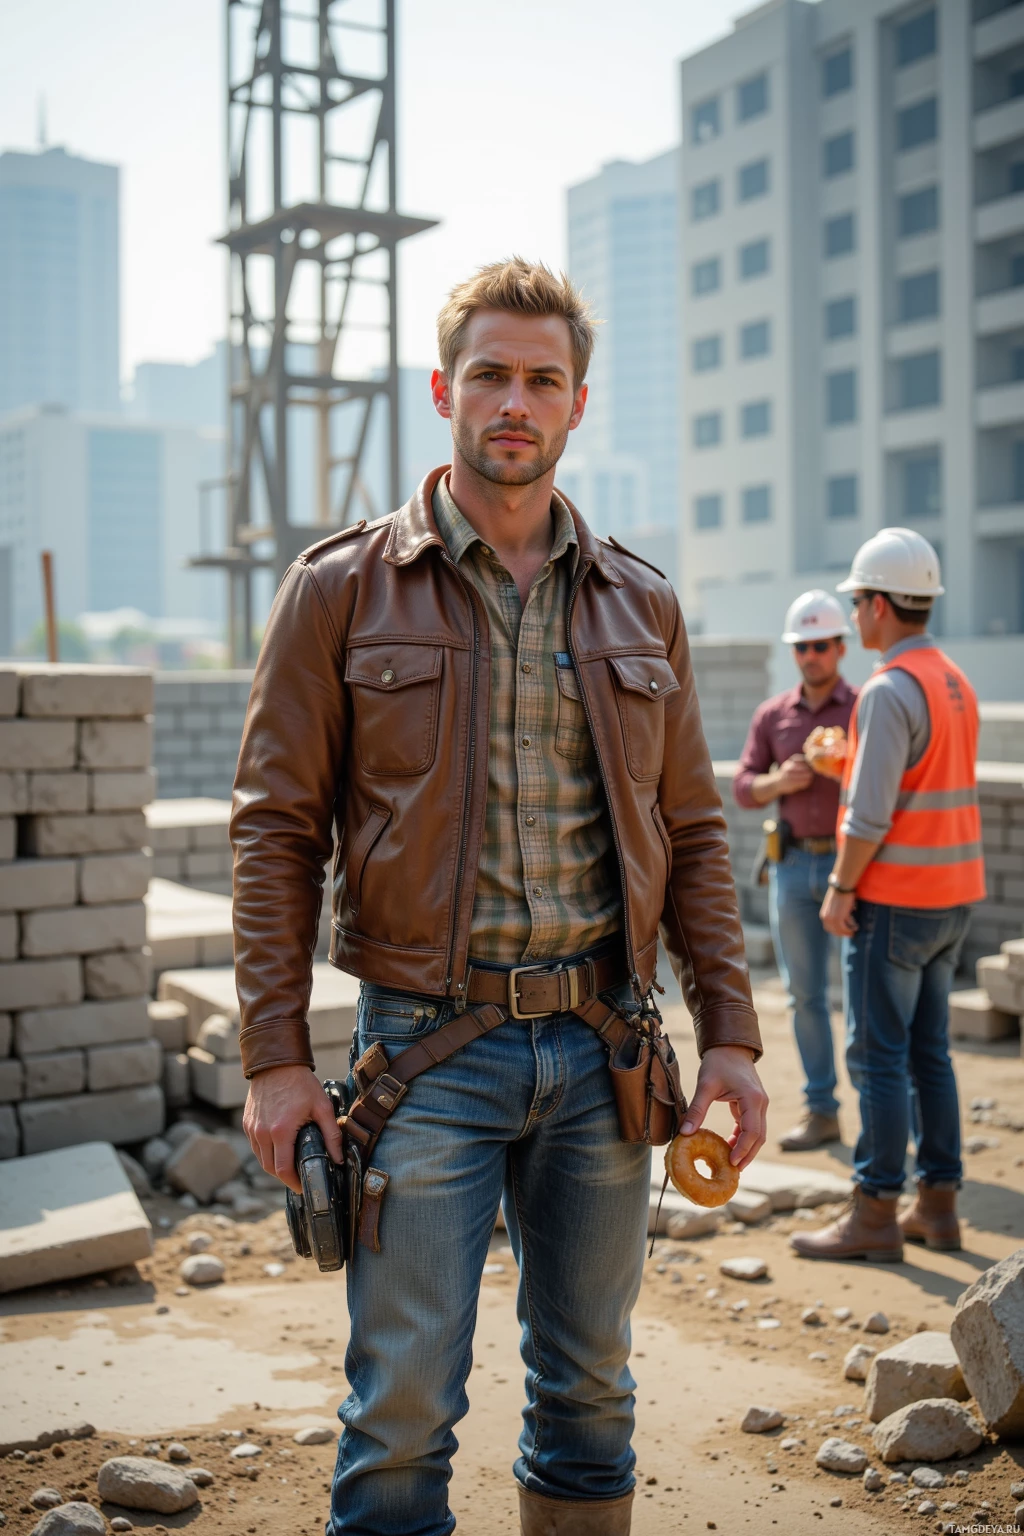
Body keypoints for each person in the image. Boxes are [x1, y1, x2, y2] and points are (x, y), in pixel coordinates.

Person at [231, 258, 767, 1536]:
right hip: (423, 1050)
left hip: (603, 1050)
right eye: (489, 374)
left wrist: (733, 1041)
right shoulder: (341, 589)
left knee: (590, 1393)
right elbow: (274, 831)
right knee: (401, 1407)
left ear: (579, 403)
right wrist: (274, 1060)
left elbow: (693, 833)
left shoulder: (642, 602)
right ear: (442, 390)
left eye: (541, 378)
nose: (512, 400)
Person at [792, 528, 985, 1263]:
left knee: (876, 1057)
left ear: (876, 605)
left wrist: (841, 887)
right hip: (952, 898)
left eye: (856, 602)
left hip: (896, 900)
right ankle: (938, 1205)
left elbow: (870, 816)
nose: (855, 615)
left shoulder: (887, 689)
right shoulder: (954, 681)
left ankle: (874, 1211)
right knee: (930, 1054)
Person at [733, 591, 857, 1151]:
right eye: (803, 646)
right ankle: (821, 1109)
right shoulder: (773, 715)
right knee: (804, 996)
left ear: (840, 647)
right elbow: (743, 787)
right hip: (791, 868)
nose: (812, 655)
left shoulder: (863, 708)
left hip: (850, 867)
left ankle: (878, 1112)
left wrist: (842, 765)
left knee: (860, 997)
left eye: (821, 645)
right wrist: (779, 782)